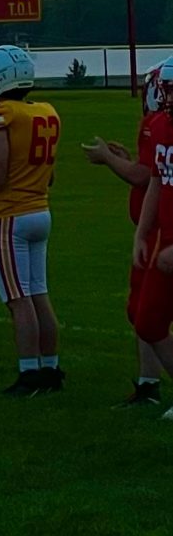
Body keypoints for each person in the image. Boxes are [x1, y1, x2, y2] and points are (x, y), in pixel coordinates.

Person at [0, 45, 63, 397]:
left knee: (18, 299)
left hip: (11, 217)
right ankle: (52, 368)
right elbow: (49, 176)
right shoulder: (46, 111)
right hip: (41, 210)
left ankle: (29, 375)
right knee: (39, 294)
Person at [84, 63, 164, 407]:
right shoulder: (160, 124)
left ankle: (151, 385)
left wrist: (107, 159)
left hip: (162, 234)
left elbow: (143, 177)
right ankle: (148, 384)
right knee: (143, 313)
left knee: (147, 313)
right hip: (156, 231)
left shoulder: (159, 124)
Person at [129, 66, 173, 417]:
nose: (169, 97)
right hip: (163, 239)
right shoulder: (160, 125)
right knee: (147, 321)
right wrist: (143, 233)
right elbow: (157, 180)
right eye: (167, 89)